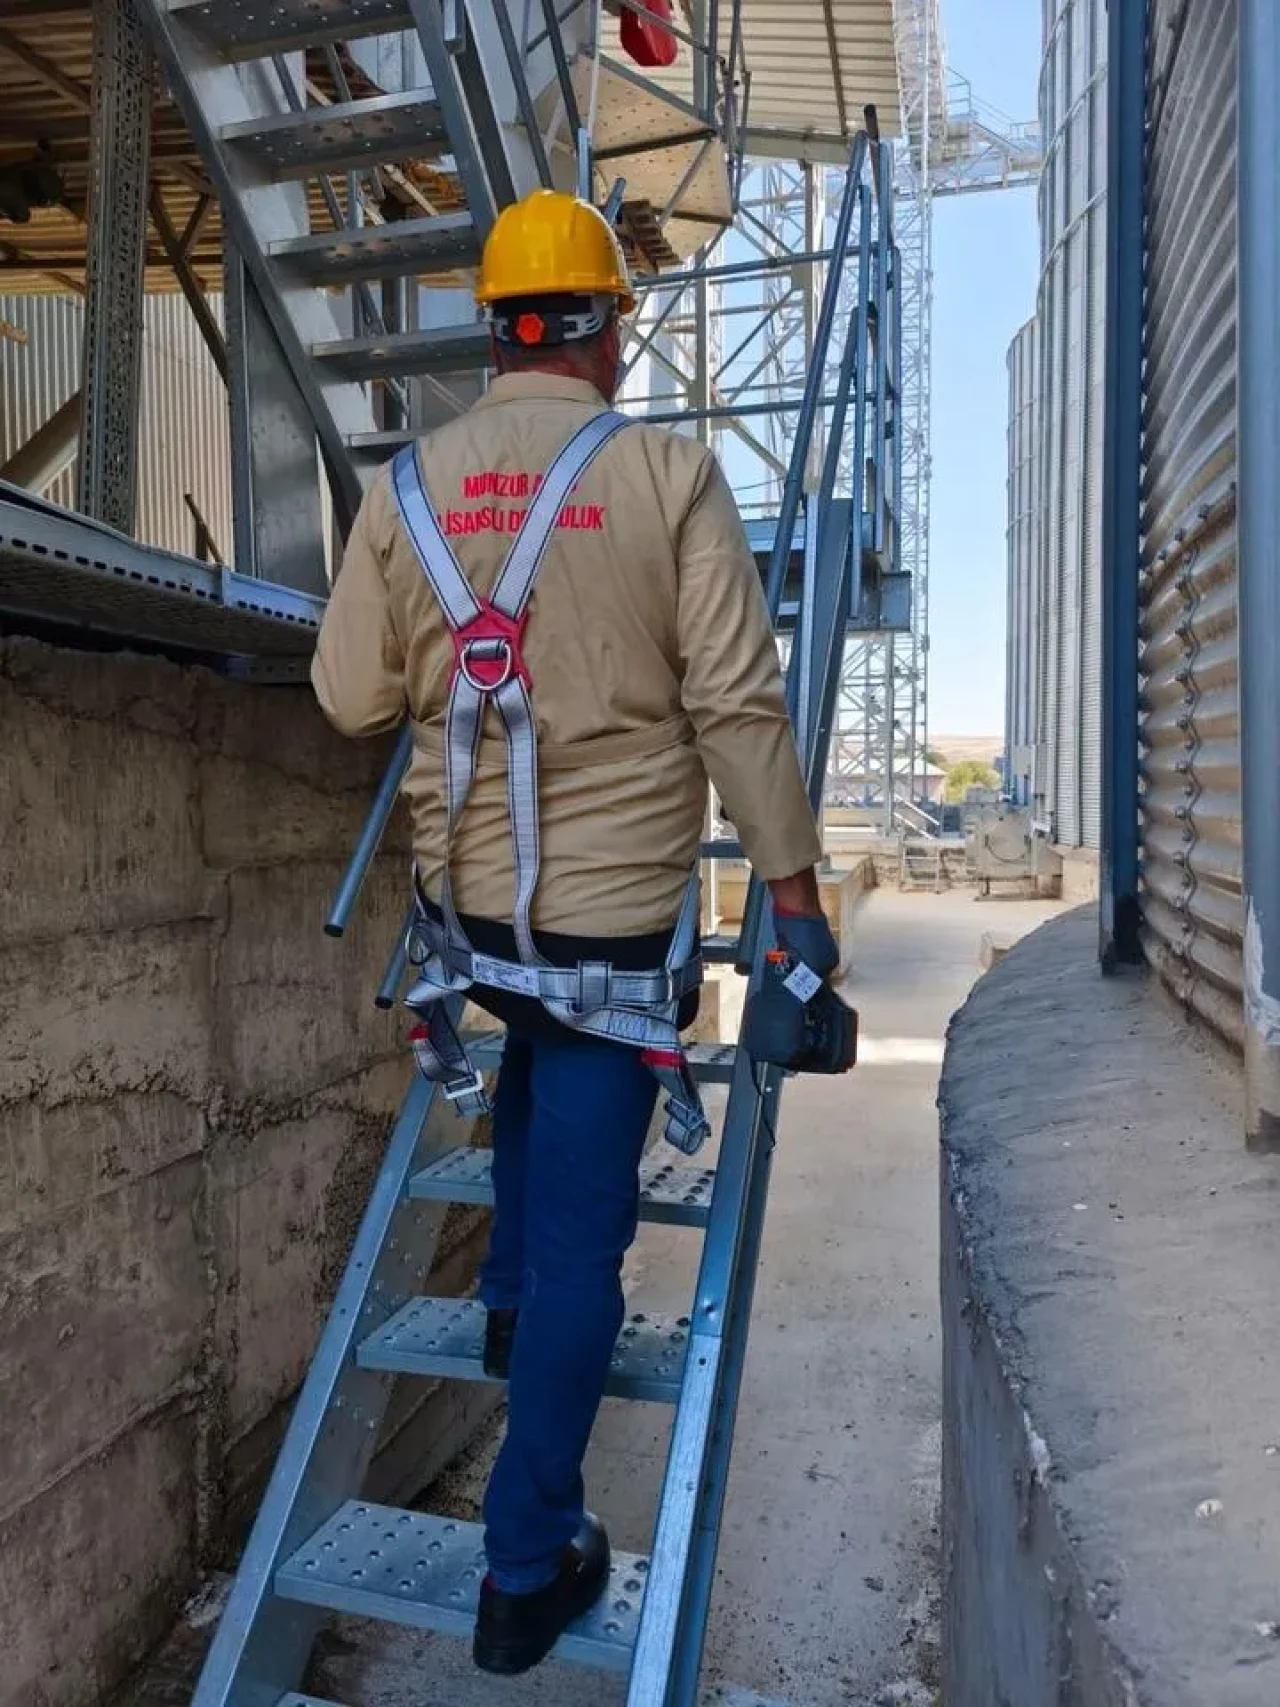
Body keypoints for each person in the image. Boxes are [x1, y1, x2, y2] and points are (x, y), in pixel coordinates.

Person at [312, 187, 835, 1676]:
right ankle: (522, 1571)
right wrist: (793, 890)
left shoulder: (409, 483)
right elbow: (736, 704)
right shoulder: (668, 475)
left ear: (497, 332)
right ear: (610, 329)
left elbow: (350, 696)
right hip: (609, 933)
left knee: (530, 1055)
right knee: (587, 1254)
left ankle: (494, 1312)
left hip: (470, 924)